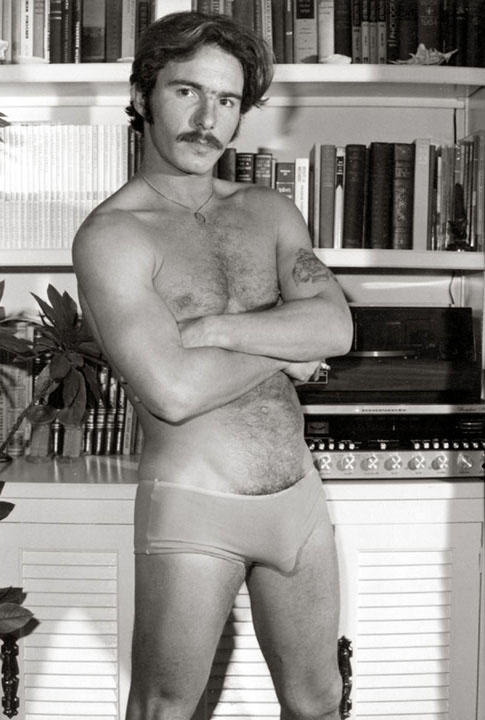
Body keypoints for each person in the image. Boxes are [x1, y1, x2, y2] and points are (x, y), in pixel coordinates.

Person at [72, 11, 353, 720]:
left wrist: (215, 330)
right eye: (186, 92)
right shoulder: (113, 236)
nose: (207, 120)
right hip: (195, 510)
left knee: (320, 701)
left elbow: (335, 327)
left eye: (226, 100)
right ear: (141, 96)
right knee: (166, 709)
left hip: (297, 499)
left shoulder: (269, 210)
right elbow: (171, 390)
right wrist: (286, 350)